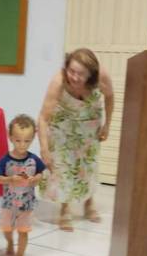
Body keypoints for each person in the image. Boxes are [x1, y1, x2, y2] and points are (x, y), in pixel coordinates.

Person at [38, 48, 114, 231]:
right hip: (63, 124)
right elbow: (43, 118)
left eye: (81, 74)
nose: (74, 77)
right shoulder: (59, 81)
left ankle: (89, 202)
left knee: (87, 164)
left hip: (90, 122)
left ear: (91, 74)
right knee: (63, 165)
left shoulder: (101, 76)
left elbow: (110, 97)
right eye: (71, 71)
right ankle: (65, 208)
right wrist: (44, 148)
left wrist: (107, 125)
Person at [0, 116, 46, 256]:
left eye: (27, 141)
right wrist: (10, 179)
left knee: (23, 231)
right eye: (18, 140)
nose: (22, 145)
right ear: (10, 137)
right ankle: (10, 242)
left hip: (26, 205)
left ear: (33, 138)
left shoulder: (34, 160)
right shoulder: (5, 160)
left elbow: (41, 173)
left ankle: (20, 255)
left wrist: (35, 179)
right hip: (8, 204)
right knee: (7, 229)